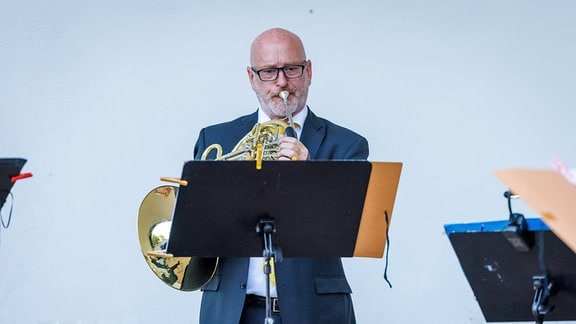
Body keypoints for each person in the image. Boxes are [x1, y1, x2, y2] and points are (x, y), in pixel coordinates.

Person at [192, 27, 369, 324]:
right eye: (269, 72)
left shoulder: (348, 144)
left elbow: (353, 231)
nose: (282, 82)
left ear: (309, 71)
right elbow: (198, 233)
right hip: (231, 312)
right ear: (252, 78)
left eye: (291, 69)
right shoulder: (216, 138)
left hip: (317, 312)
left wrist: (309, 176)